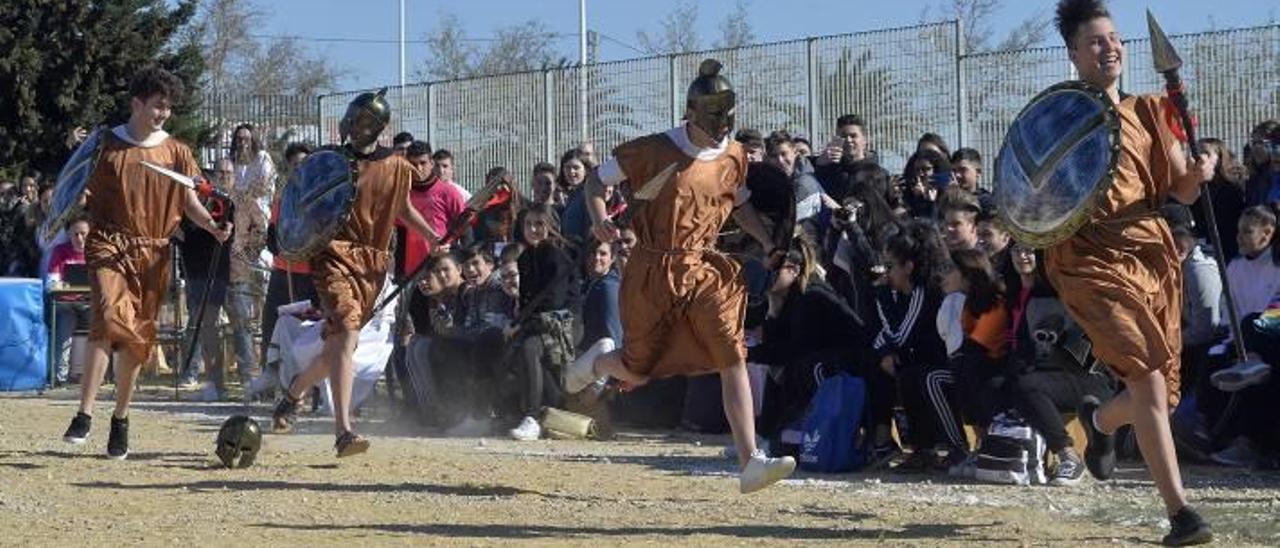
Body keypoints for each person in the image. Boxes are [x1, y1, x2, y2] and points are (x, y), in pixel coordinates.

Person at [566, 59, 797, 493]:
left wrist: (767, 243)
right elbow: (596, 182)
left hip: (704, 269)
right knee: (638, 371)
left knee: (733, 354)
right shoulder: (653, 150)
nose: (722, 128)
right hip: (652, 271)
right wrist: (599, 219)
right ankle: (596, 362)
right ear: (691, 112)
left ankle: (750, 461)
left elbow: (740, 205)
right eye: (714, 118)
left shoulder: (733, 156)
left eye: (727, 118)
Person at [1045, 2, 1217, 544]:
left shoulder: (1147, 110)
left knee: (1159, 398)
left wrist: (1199, 172)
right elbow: (1036, 197)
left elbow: (1179, 191)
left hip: (1149, 254)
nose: (1109, 47)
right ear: (1073, 54)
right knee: (1144, 376)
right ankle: (1181, 514)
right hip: (1087, 257)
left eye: (1114, 38)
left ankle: (1099, 424)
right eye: (1095, 41)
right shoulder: (1060, 120)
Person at [60, 66, 232, 460]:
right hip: (109, 243)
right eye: (157, 105)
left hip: (153, 253)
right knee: (108, 314)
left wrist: (212, 227)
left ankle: (120, 419)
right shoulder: (106, 144)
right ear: (137, 103)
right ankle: (84, 413)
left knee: (136, 340)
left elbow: (189, 200)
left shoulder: (176, 151)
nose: (163, 113)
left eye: (168, 108)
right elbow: (75, 185)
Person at [271, 89, 438, 458]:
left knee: (337, 348)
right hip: (332, 256)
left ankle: (294, 393)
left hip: (373, 265)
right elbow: (304, 206)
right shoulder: (331, 161)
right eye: (356, 119)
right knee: (346, 333)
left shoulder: (397, 166)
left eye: (366, 122)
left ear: (378, 127)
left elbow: (402, 209)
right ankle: (344, 431)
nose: (358, 127)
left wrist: (431, 236)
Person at [1004, 243, 1116, 486]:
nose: (1023, 256)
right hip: (1050, 374)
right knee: (1010, 381)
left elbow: (1094, 351)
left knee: (1027, 385)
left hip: (1091, 376)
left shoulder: (1076, 290)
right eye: (1017, 250)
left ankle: (1069, 457)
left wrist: (1064, 336)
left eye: (1030, 250)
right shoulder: (1029, 295)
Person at [750, 237, 868, 449]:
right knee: (779, 369)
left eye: (773, 272)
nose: (767, 277)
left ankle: (814, 437)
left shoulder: (812, 296)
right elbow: (778, 346)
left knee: (803, 367)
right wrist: (773, 311)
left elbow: (794, 350)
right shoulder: (785, 297)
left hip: (848, 363)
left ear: (794, 270)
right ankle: (767, 435)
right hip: (817, 357)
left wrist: (750, 353)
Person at [873, 221, 949, 471]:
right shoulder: (901, 291)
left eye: (891, 266)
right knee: (876, 368)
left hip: (941, 362)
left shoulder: (924, 291)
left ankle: (941, 447)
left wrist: (882, 295)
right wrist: (885, 352)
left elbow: (899, 334)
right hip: (915, 359)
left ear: (908, 266)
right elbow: (882, 336)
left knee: (914, 376)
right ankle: (899, 445)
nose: (886, 273)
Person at [507, 204, 576, 441]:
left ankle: (532, 417)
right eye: (528, 224)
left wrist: (521, 324)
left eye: (539, 224)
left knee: (530, 348)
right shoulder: (526, 257)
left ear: (551, 226)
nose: (533, 229)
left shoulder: (558, 258)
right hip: (537, 324)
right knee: (511, 346)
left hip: (563, 326)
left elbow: (554, 302)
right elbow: (526, 299)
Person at [176, 159, 238, 400]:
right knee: (201, 326)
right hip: (193, 272)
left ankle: (217, 382)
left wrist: (217, 228)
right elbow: (178, 233)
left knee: (211, 325)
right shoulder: (186, 207)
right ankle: (205, 378)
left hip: (215, 271)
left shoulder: (223, 204)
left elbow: (225, 233)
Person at [227, 123, 276, 389]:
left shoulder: (263, 159)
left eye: (247, 138)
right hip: (239, 243)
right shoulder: (231, 163)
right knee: (242, 311)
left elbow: (260, 187)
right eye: (239, 139)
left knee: (268, 306)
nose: (243, 143)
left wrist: (240, 196)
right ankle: (247, 371)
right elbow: (231, 193)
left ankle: (270, 367)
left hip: (261, 237)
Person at [397, 140, 465, 281]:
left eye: (423, 163)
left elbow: (465, 227)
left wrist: (460, 260)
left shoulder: (448, 192)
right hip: (413, 270)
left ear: (431, 164)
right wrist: (400, 270)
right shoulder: (402, 193)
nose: (418, 168)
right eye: (413, 164)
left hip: (442, 269)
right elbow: (400, 232)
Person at [48, 217, 91, 385]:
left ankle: (96, 374)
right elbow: (52, 281)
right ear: (68, 235)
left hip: (89, 302)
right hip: (66, 302)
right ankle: (60, 376)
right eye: (76, 234)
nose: (80, 238)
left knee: (100, 329)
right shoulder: (60, 251)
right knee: (64, 330)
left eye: (84, 234)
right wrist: (60, 284)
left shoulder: (96, 251)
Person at [1191, 138, 1246, 261]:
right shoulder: (1193, 185)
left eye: (1206, 153)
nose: (1200, 157)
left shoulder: (1231, 188)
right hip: (1201, 248)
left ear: (1219, 158)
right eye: (1196, 152)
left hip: (1224, 250)